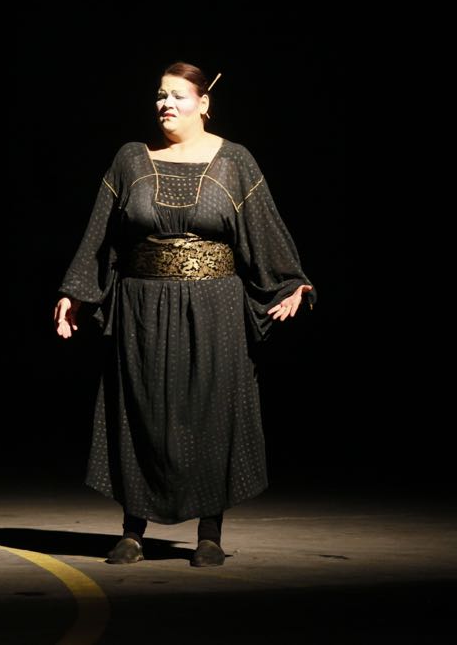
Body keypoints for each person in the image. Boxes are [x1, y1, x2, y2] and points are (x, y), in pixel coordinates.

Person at [53, 61, 316, 567]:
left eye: (177, 95)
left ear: (204, 102)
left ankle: (209, 534)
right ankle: (132, 531)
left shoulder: (234, 160)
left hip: (214, 307)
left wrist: (292, 281)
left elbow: (264, 229)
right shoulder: (131, 159)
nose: (165, 103)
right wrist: (76, 292)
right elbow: (99, 233)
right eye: (160, 95)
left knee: (210, 412)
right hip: (142, 308)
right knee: (141, 409)